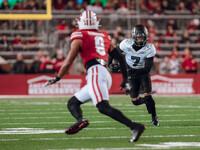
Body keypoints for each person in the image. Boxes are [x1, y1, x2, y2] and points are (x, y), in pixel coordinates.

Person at [44, 10, 145, 142]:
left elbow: (69, 60)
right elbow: (120, 57)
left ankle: (134, 126)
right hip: (103, 73)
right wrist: (125, 79)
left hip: (95, 72)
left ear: (82, 22)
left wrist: (58, 77)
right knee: (73, 103)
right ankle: (81, 120)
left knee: (103, 107)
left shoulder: (79, 34)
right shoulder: (104, 36)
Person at [110, 25, 159, 126]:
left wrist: (131, 71)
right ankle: (146, 102)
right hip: (132, 72)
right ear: (134, 37)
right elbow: (113, 52)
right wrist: (110, 63)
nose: (141, 40)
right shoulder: (126, 44)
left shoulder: (150, 48)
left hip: (143, 73)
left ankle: (154, 116)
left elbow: (147, 68)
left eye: (142, 37)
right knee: (135, 101)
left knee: (148, 95)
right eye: (138, 37)